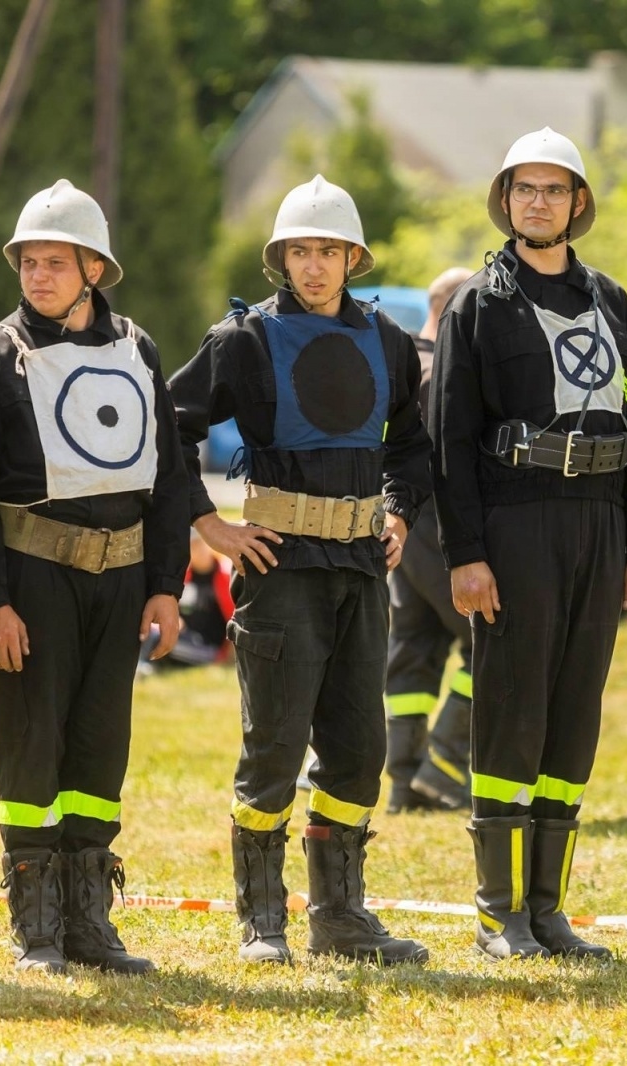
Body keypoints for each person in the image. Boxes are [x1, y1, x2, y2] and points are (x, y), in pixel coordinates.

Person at [170, 175, 431, 966]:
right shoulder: (243, 343)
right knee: (274, 747)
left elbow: (412, 444)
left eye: (328, 251)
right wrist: (209, 524)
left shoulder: (388, 342)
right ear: (279, 258)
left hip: (359, 569)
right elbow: (166, 422)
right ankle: (262, 921)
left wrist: (400, 513)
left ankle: (340, 918)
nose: (314, 265)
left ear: (354, 257)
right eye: (299, 252)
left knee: (358, 749)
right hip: (279, 570)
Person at [432, 127, 627, 960]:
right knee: (513, 707)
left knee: (573, 713)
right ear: (505, 200)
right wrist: (465, 552)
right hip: (514, 523)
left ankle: (547, 909)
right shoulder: (478, 305)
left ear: (578, 203)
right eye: (524, 189)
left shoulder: (614, 302)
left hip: (599, 522)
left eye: (553, 189)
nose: (538, 202)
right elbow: (449, 438)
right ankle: (499, 912)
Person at [0, 179, 188, 974]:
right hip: (31, 578)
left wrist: (166, 584)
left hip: (122, 581)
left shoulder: (139, 348)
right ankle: (37, 927)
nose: (37, 276)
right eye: (28, 262)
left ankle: (90, 924)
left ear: (93, 268)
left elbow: (169, 474)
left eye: (55, 263)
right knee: (31, 745)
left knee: (100, 748)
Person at [384, 265, 475, 812]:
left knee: (413, 656)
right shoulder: (444, 371)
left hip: (402, 535)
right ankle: (444, 766)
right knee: (493, 642)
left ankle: (402, 783)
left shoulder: (402, 365)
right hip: (444, 533)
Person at [139, 530, 234, 673]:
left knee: (161, 640)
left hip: (209, 649)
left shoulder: (225, 576)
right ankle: (145, 666)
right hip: (184, 637)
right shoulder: (183, 577)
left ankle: (144, 666)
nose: (198, 551)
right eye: (192, 547)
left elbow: (234, 619)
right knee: (150, 631)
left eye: (200, 545)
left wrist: (229, 657)